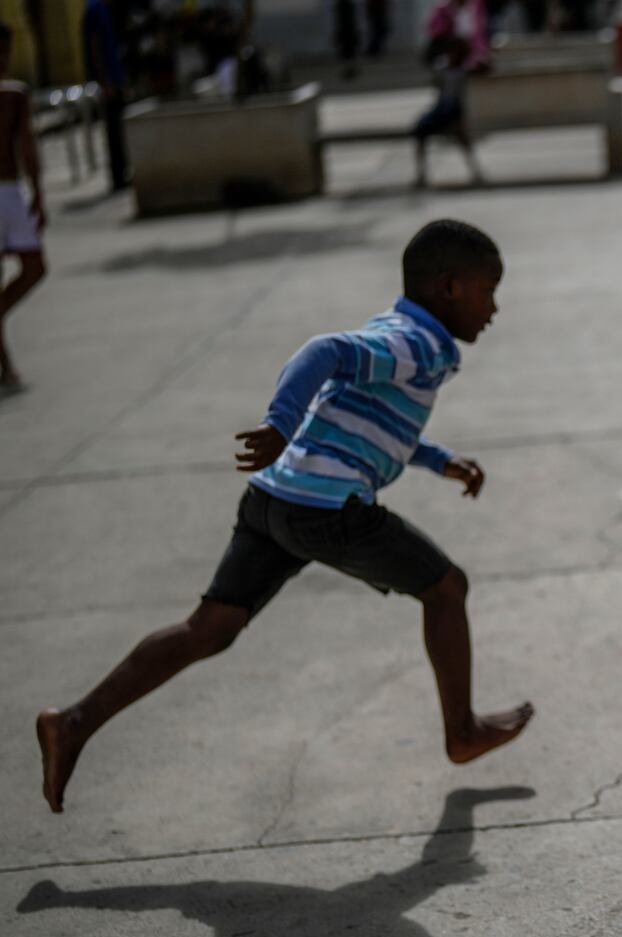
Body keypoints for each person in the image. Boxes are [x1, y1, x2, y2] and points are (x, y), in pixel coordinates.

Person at [34, 220, 534, 815]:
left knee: (208, 629)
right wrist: (279, 420)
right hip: (326, 510)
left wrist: (437, 459)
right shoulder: (418, 343)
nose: (494, 307)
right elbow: (323, 351)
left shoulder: (397, 329)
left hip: (272, 500)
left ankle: (72, 722)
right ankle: (462, 731)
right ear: (450, 287)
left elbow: (371, 418)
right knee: (446, 588)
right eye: (488, 290)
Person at [0, 22, 44, 395]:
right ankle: (6, 366)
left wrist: (38, 193)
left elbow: (27, 146)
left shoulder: (15, 94)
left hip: (10, 192)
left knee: (35, 267)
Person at [413, 32, 484, 188]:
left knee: (462, 140)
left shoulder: (462, 70)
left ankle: (476, 173)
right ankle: (421, 175)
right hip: (441, 108)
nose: (451, 55)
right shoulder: (442, 66)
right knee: (419, 132)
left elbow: (481, 69)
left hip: (453, 109)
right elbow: (436, 81)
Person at [80, 0, 130, 190]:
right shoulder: (95, 9)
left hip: (114, 79)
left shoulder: (106, 9)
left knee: (119, 128)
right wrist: (106, 82)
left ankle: (123, 170)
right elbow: (95, 46)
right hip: (108, 82)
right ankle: (118, 175)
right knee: (113, 130)